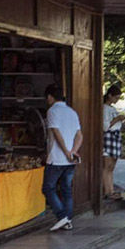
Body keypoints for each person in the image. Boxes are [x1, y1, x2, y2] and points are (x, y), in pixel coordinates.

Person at [42, 83, 82, 231]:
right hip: (70, 160)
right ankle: (68, 220)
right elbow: (79, 135)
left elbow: (56, 133)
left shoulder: (52, 111)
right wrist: (73, 151)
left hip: (56, 158)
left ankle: (62, 216)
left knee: (48, 188)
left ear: (50, 97)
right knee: (66, 189)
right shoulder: (72, 112)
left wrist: (66, 151)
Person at [102, 84, 125, 198]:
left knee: (111, 167)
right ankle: (108, 191)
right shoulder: (104, 108)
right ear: (110, 95)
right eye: (116, 97)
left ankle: (111, 190)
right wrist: (117, 119)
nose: (117, 100)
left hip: (115, 136)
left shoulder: (113, 109)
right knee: (107, 166)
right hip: (109, 136)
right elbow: (105, 126)